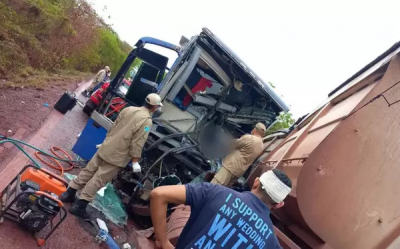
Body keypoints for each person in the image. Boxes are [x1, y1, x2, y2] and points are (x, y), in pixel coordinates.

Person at [61, 93, 163, 219]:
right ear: (154, 107)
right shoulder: (147, 122)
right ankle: (79, 206)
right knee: (99, 179)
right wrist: (135, 161)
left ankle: (68, 193)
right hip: (117, 156)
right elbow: (138, 142)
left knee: (88, 170)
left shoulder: (128, 109)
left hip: (106, 147)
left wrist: (107, 141)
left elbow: (113, 126)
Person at [150, 169, 292, 249]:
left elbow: (158, 194)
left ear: (256, 183)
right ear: (279, 204)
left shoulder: (215, 192)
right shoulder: (270, 242)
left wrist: (163, 242)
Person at [211, 123, 266, 187]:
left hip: (231, 167)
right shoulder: (261, 145)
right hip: (239, 172)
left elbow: (233, 145)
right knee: (224, 188)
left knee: (215, 184)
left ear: (256, 129)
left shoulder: (250, 138)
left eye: (254, 128)